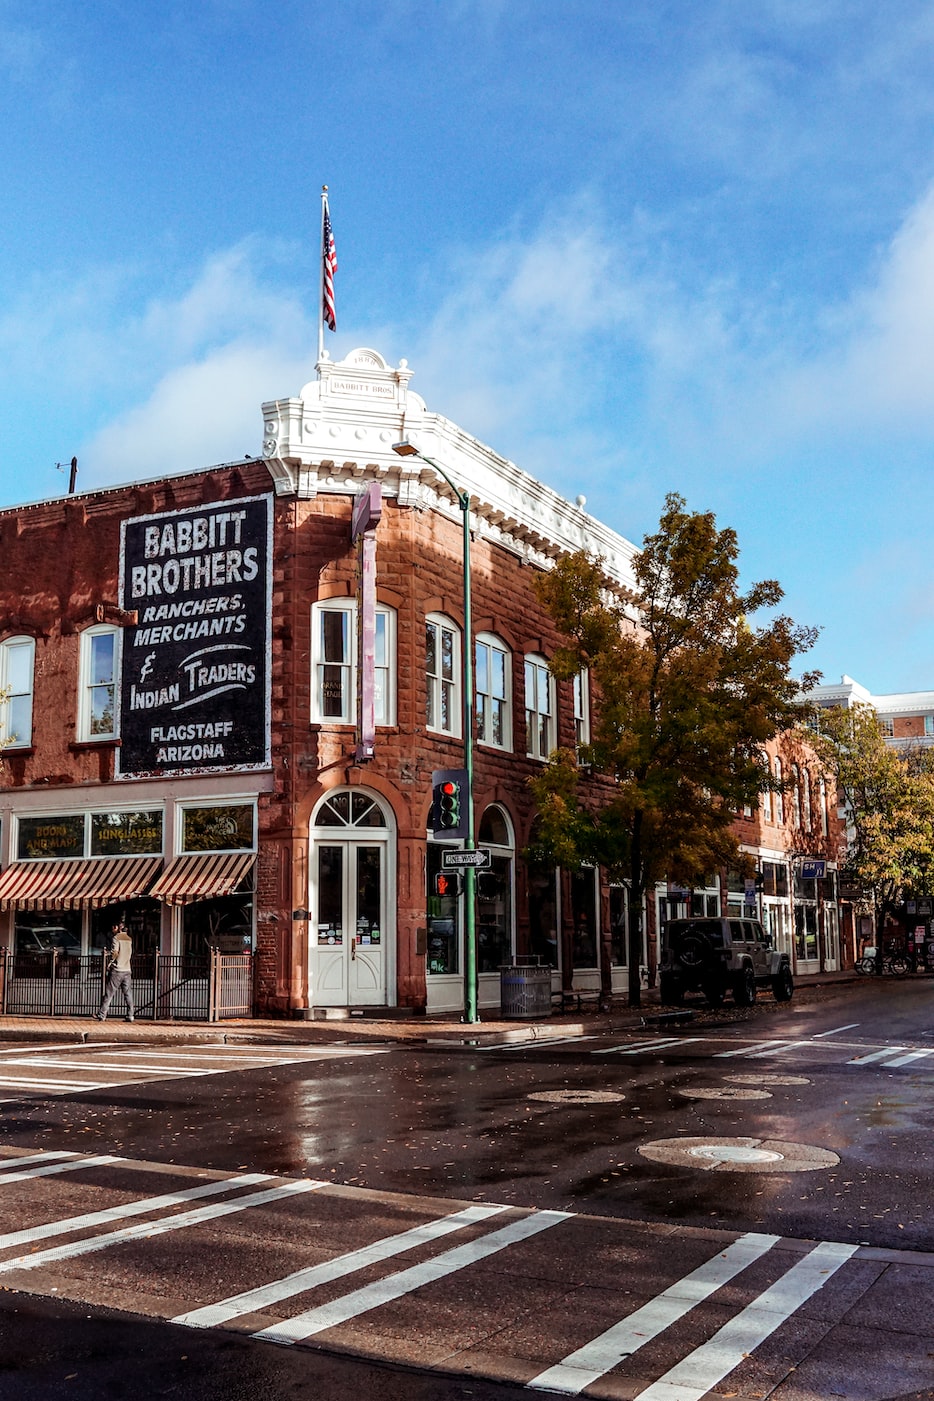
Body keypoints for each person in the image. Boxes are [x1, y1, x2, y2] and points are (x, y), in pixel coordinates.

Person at [95, 920, 134, 1022]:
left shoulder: (116, 938)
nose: (112, 930)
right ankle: (131, 1015)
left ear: (118, 928)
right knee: (127, 993)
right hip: (127, 968)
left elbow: (115, 952)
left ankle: (102, 1014)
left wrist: (110, 962)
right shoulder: (129, 939)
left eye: (113, 927)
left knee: (109, 992)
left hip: (117, 969)